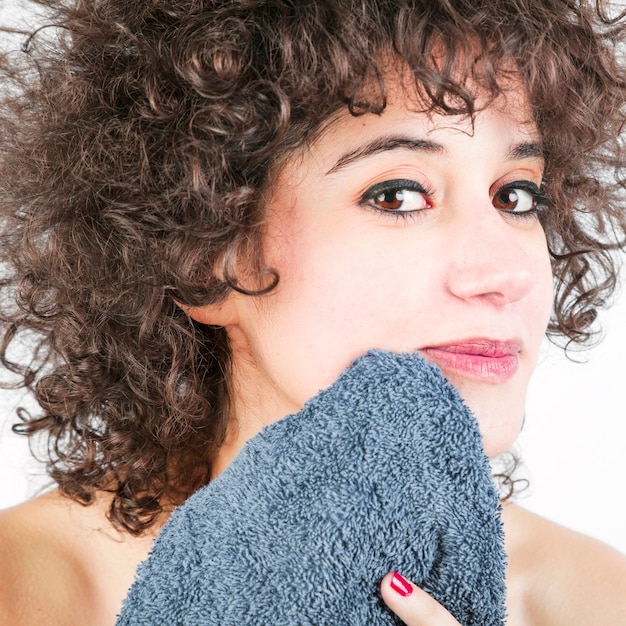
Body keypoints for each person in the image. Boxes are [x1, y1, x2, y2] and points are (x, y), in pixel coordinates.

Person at [1, 0, 626, 624]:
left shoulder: (594, 601)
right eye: (398, 194)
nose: (507, 274)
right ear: (210, 255)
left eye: (516, 196)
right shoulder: (24, 590)